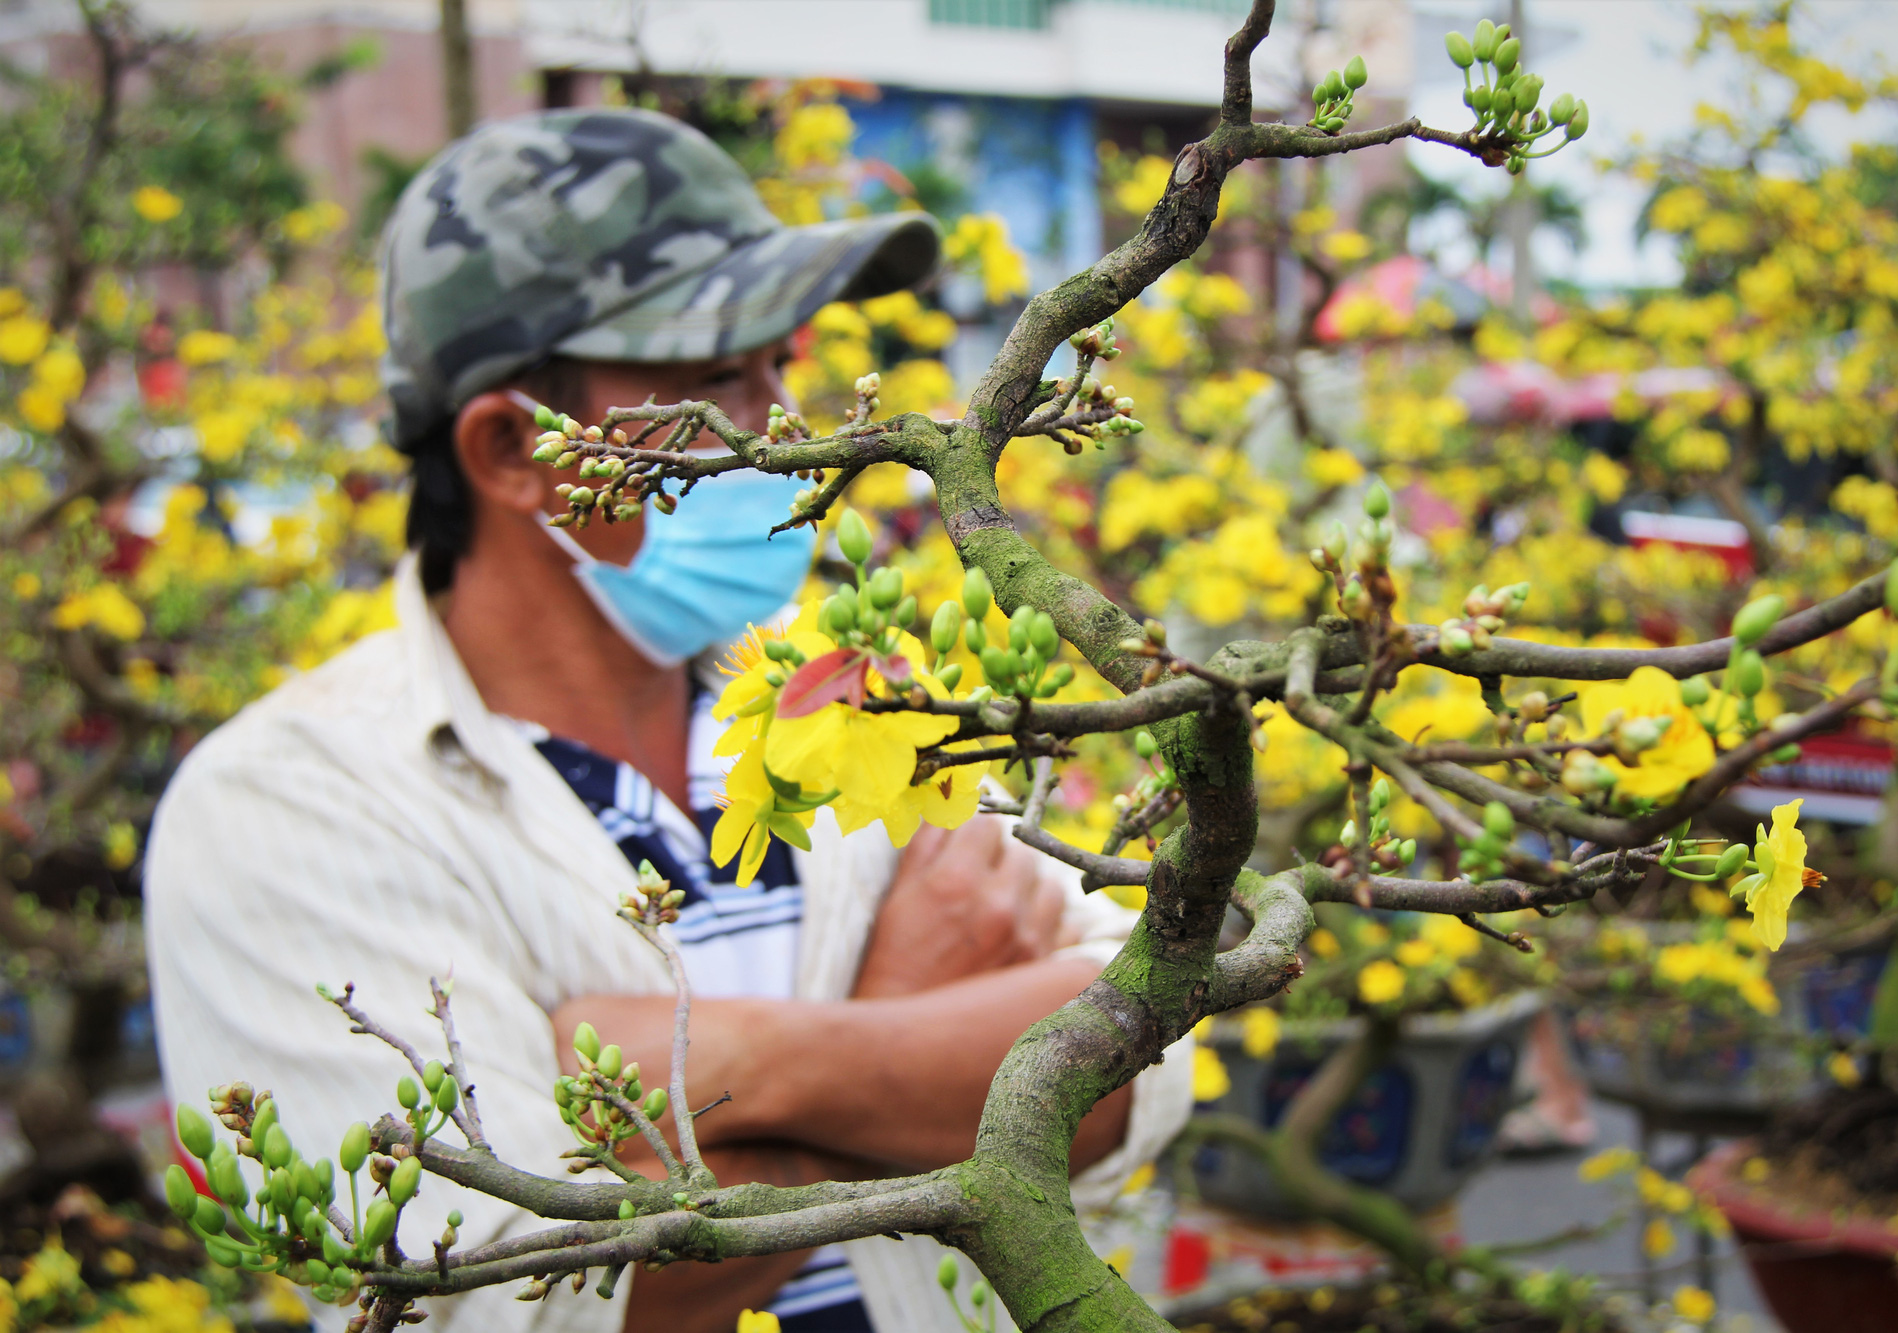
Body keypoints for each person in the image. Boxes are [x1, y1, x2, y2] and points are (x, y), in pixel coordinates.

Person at [143, 109, 1192, 1333]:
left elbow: (1134, 1045)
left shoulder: (857, 688)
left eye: (776, 369)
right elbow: (509, 1305)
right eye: (710, 386)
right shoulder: (291, 805)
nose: (786, 432)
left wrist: (755, 1062)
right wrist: (915, 1043)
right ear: (515, 450)